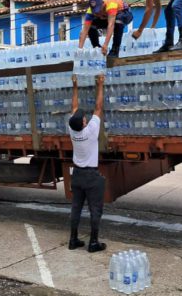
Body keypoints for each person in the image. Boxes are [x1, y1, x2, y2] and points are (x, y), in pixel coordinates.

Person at [67, 73, 107, 253]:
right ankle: (93, 242)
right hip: (91, 176)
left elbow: (74, 107)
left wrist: (75, 86)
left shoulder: (72, 130)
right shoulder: (91, 130)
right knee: (95, 209)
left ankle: (73, 239)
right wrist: (100, 84)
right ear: (84, 123)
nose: (86, 118)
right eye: (84, 118)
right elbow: (98, 107)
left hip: (77, 175)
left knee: (76, 208)